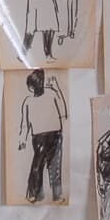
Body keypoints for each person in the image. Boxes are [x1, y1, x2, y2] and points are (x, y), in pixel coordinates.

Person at [17, 69, 66, 204]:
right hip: (39, 138)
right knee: (37, 166)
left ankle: (57, 195)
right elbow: (25, 123)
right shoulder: (28, 101)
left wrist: (57, 88)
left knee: (55, 167)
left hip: (55, 134)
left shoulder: (52, 93)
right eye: (32, 86)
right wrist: (22, 139)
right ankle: (35, 194)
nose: (34, 88)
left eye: (37, 84)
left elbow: (63, 112)